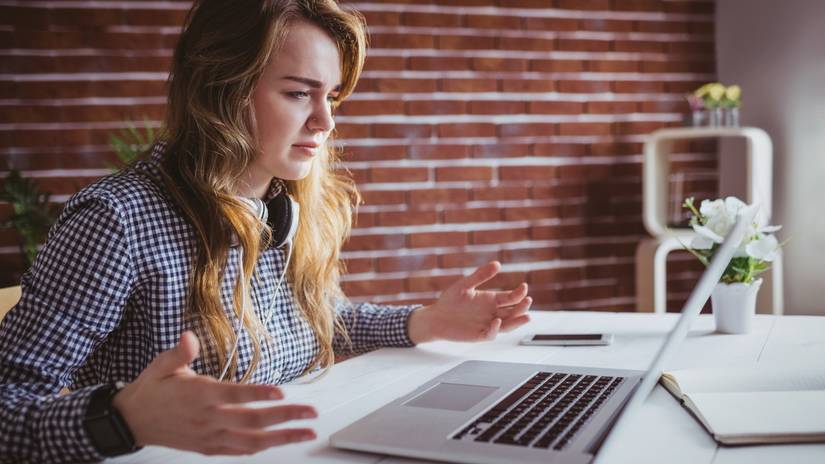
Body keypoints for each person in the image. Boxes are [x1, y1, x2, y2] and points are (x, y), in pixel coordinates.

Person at [0, 0, 532, 462]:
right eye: (300, 93)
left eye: (332, 98)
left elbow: (322, 319)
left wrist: (427, 322)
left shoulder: (280, 205)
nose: (325, 122)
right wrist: (124, 417)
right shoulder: (115, 221)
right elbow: (8, 406)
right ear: (223, 92)